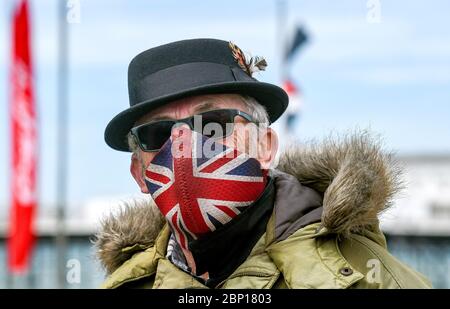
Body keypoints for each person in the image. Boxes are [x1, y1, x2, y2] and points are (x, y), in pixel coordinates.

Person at [96, 38, 431, 289]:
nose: (184, 146)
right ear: (138, 172)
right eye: (158, 133)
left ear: (266, 146)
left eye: (214, 121)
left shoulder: (369, 278)